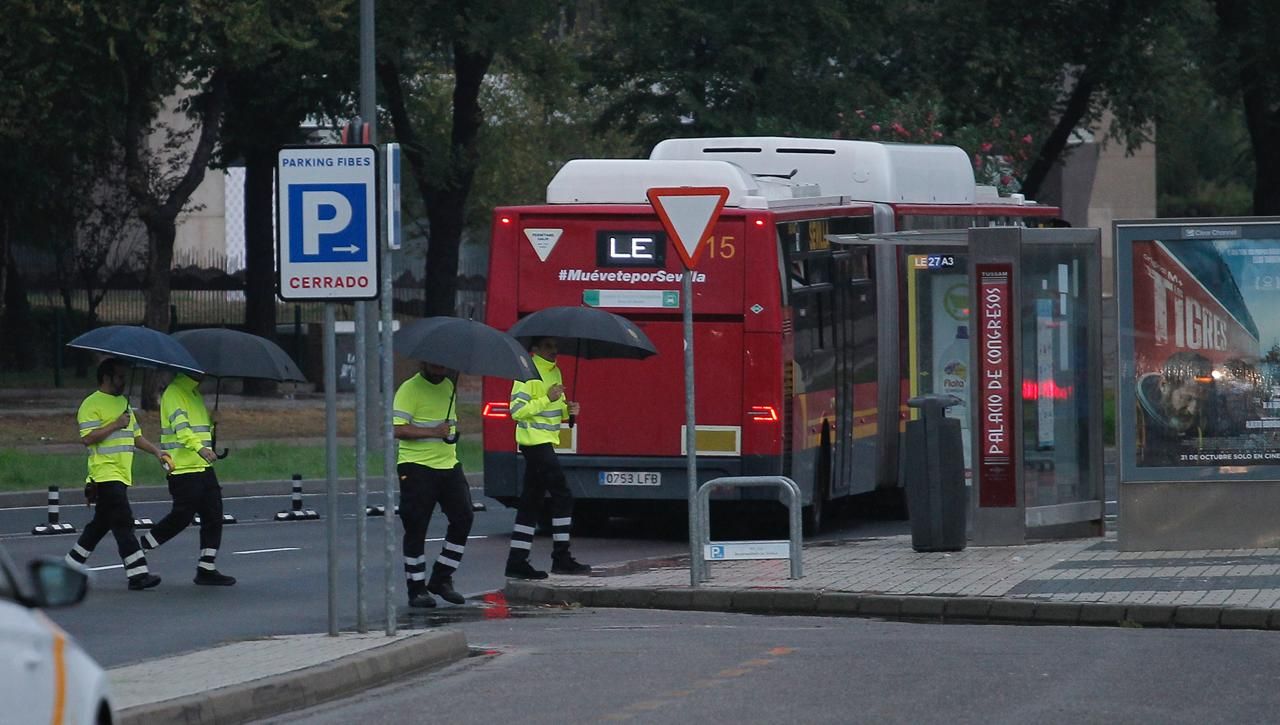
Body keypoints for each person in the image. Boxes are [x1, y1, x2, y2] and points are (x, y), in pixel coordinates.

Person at [64, 358, 168, 590]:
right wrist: (115, 424)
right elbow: (87, 438)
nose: (123, 381)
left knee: (99, 525)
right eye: (119, 376)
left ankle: (69, 567)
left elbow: (135, 436)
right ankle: (138, 574)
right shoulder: (90, 404)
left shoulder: (123, 403)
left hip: (121, 474)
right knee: (123, 521)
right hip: (104, 474)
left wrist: (156, 452)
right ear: (106, 378)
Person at [505, 337, 591, 579]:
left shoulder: (557, 372)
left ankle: (517, 561)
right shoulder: (526, 372)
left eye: (555, 346)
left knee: (530, 502)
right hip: (534, 443)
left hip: (546, 442)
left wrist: (569, 410)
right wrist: (548, 399)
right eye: (548, 346)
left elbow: (557, 409)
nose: (554, 351)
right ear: (535, 349)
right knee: (563, 495)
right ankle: (560, 557)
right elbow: (517, 411)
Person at [139, 371, 236, 585]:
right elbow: (182, 430)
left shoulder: (194, 394)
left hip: (202, 467)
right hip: (183, 468)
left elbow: (198, 431)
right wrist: (200, 448)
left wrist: (212, 422)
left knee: (214, 514)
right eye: (201, 369)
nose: (205, 373)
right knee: (182, 516)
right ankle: (141, 547)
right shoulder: (174, 393)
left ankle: (206, 568)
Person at [393, 362, 474, 608]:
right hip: (416, 466)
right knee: (417, 526)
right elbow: (399, 429)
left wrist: (448, 434)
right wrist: (433, 432)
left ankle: (441, 578)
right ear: (423, 363)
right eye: (434, 363)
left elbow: (446, 426)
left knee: (464, 517)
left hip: (448, 465)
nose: (439, 367)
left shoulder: (449, 385)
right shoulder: (409, 389)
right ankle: (416, 590)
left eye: (443, 364)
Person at [1136, 351, 1212, 466]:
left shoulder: (1203, 422)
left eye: (1200, 401)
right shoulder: (1136, 415)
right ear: (1164, 386)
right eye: (1187, 398)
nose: (1193, 409)